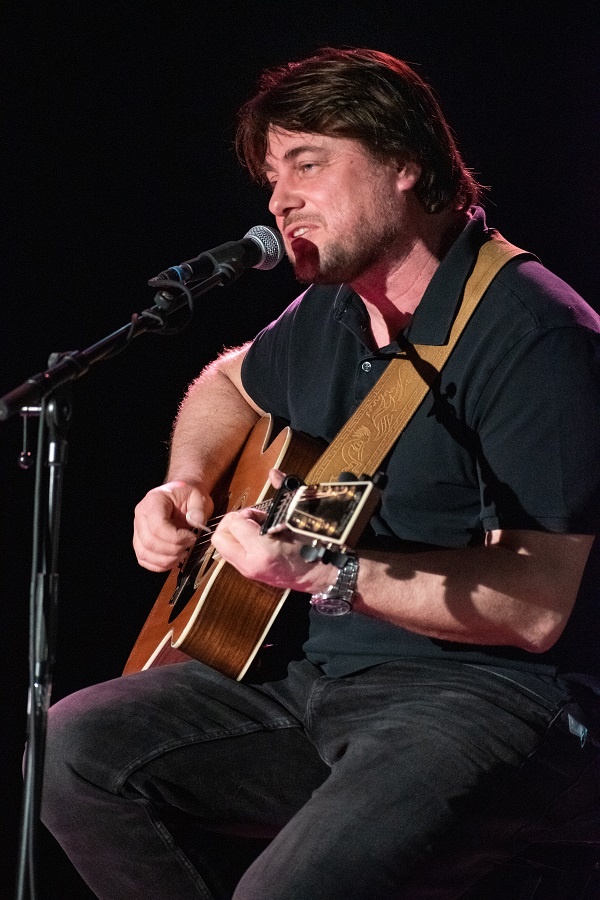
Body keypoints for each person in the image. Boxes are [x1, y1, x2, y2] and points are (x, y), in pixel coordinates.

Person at [40, 47, 600, 899]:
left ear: (405, 162)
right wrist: (185, 482)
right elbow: (226, 382)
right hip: (318, 681)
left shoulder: (536, 334)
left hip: (490, 698)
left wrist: (320, 573)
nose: (279, 201)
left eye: (308, 164)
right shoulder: (332, 309)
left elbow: (534, 607)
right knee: (70, 750)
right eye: (272, 177)